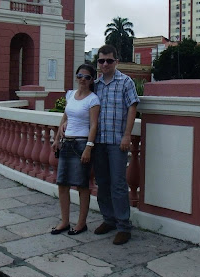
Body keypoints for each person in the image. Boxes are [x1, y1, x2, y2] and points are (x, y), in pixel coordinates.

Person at [93, 44, 140, 245]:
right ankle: (108, 219)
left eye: (109, 60)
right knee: (102, 183)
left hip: (117, 141)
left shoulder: (125, 82)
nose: (105, 64)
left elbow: (132, 108)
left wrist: (127, 135)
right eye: (101, 61)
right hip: (98, 141)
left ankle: (123, 226)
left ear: (116, 62)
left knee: (118, 184)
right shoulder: (95, 85)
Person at [51, 64, 100, 236]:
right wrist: (57, 139)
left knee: (81, 185)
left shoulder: (93, 99)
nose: (82, 80)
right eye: (80, 76)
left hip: (81, 144)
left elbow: (94, 125)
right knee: (62, 183)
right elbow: (65, 117)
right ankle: (64, 221)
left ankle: (81, 223)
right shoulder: (70, 95)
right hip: (67, 142)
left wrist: (89, 147)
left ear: (92, 79)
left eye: (86, 77)